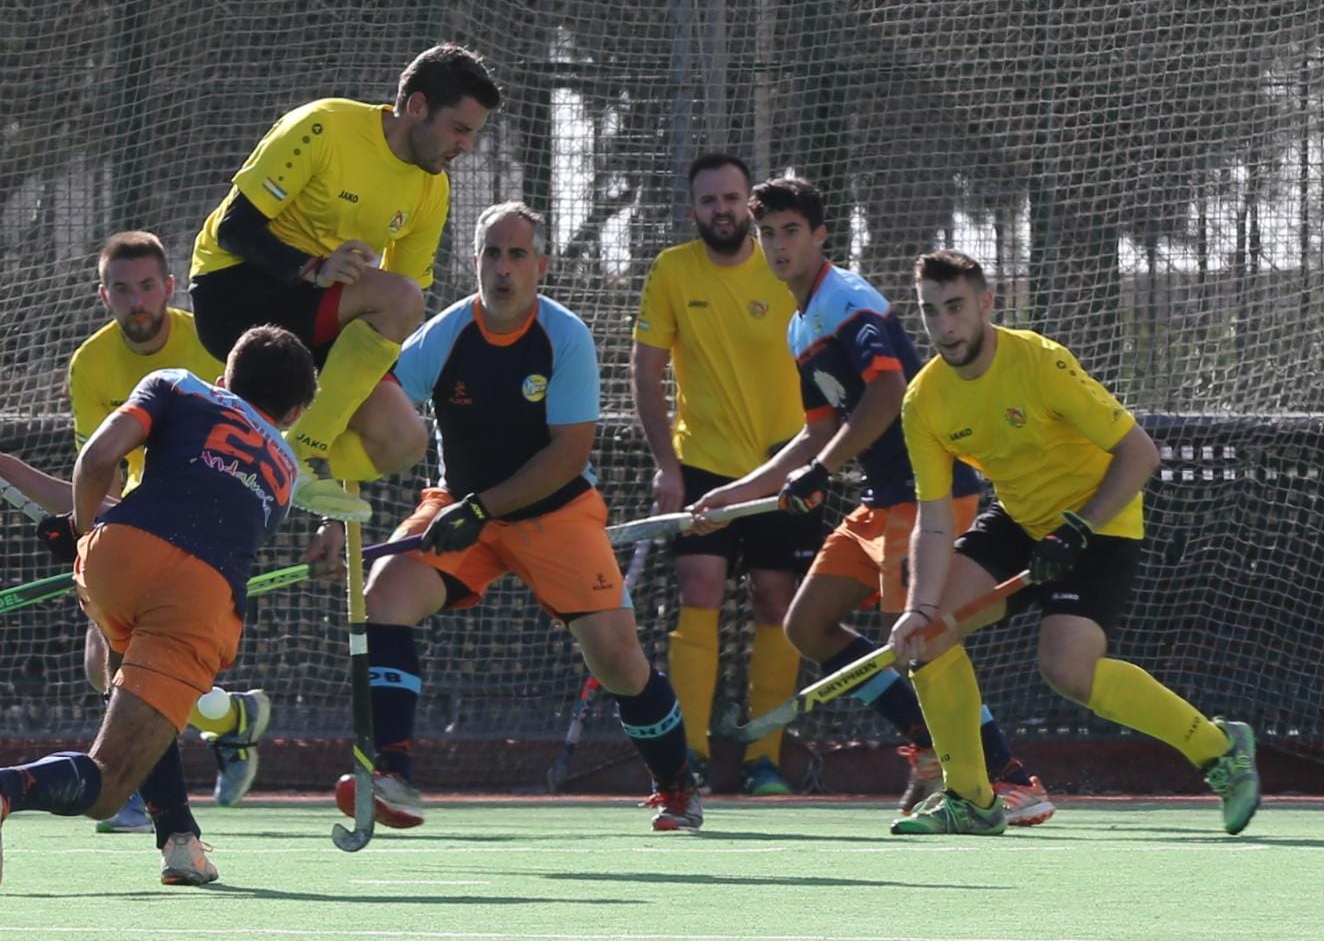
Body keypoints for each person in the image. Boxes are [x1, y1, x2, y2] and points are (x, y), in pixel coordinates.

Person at [326, 202, 702, 832]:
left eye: (517, 255)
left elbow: (567, 456)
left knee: (618, 661)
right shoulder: (443, 335)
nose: (503, 269)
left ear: (541, 266)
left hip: (555, 513)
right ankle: (391, 773)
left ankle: (677, 786)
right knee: (382, 598)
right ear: (476, 261)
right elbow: (367, 416)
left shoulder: (566, 337)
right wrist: (335, 518)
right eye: (492, 254)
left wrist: (481, 509)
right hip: (459, 506)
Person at [690, 179, 1052, 825]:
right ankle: (929, 743)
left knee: (919, 642)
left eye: (791, 231)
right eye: (767, 234)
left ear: (820, 235)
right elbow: (817, 430)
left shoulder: (847, 300)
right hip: (880, 499)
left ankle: (1010, 777)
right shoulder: (799, 325)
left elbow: (888, 391)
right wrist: (738, 492)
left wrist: (822, 472)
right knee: (808, 625)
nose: (778, 245)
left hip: (927, 494)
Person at [888, 248, 1260, 836]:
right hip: (1021, 520)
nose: (945, 326)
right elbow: (933, 519)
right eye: (931, 311)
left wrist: (1078, 527)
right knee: (931, 637)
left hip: (1100, 519)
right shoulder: (924, 400)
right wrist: (919, 608)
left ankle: (1219, 750)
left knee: (1067, 669)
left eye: (956, 307)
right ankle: (972, 800)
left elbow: (1140, 453)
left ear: (986, 304)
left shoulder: (1040, 362)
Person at [0, 325, 320, 894]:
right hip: (200, 596)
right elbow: (197, 529)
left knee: (132, 690)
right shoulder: (285, 470)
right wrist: (82, 524)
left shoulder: (179, 385)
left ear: (224, 378)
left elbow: (97, 461)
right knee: (110, 783)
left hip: (117, 557)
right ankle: (1, 787)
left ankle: (180, 841)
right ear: (293, 413)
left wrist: (78, 529)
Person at [187, 43, 501, 521]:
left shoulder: (432, 188)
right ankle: (296, 455)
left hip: (314, 316)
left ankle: (270, 464)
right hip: (231, 294)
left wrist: (366, 381)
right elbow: (234, 229)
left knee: (404, 440)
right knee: (400, 298)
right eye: (459, 129)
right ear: (418, 106)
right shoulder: (324, 126)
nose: (467, 146)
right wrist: (311, 267)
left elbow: (399, 303)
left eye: (474, 133)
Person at [67, 231, 275, 825]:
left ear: (170, 287)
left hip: (212, 523)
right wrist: (88, 539)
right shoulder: (90, 364)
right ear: (103, 295)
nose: (137, 301)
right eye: (122, 289)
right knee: (104, 664)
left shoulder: (211, 344)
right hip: (141, 518)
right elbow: (99, 467)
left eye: (147, 286)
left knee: (131, 664)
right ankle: (232, 720)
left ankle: (131, 787)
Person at [631, 152, 817, 795]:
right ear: (693, 209)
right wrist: (666, 466)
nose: (722, 210)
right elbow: (645, 369)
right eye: (709, 200)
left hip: (784, 467)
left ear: (750, 206)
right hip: (702, 464)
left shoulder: (785, 269)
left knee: (777, 601)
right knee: (700, 590)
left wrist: (819, 455)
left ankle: (765, 755)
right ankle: (689, 756)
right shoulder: (672, 270)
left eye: (732, 199)